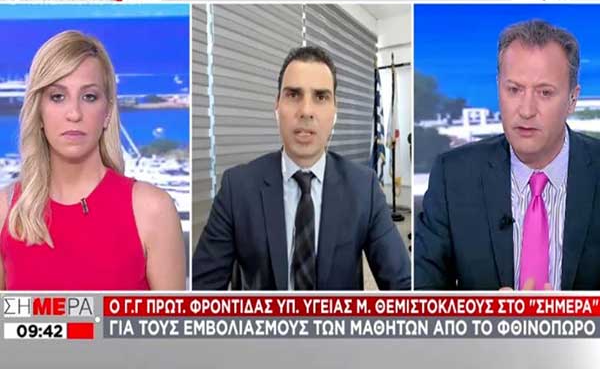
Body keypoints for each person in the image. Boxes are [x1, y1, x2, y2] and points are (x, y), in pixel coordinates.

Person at [193, 46, 411, 290]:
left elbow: (403, 287)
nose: (306, 111)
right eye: (294, 95)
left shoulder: (364, 188)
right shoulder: (237, 188)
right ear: (277, 106)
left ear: (334, 111)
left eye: (321, 97)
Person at [415, 20, 600, 290]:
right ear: (498, 88)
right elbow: (422, 295)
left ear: (573, 99)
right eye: (514, 89)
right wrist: (483, 315)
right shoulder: (452, 176)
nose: (526, 110)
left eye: (545, 92)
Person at [0, 30, 186, 290]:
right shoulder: (6, 211)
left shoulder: (152, 210)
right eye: (57, 96)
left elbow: (172, 317)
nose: (74, 113)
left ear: (107, 112)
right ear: (39, 112)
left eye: (89, 97)